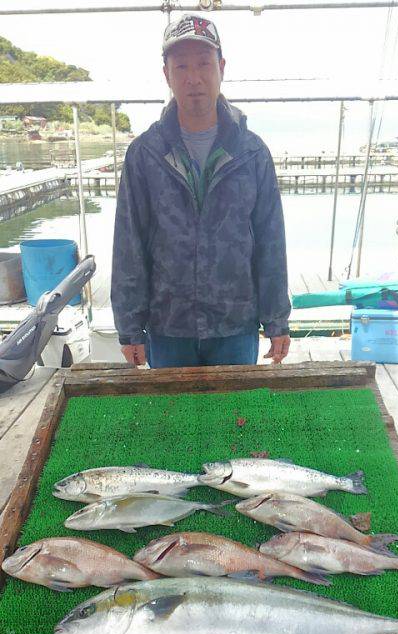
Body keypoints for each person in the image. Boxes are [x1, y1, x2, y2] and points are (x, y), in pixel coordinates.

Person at [111, 13, 291, 368]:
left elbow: (271, 242)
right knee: (172, 422)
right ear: (167, 74)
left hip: (235, 325)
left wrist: (277, 320)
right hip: (167, 327)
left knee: (234, 419)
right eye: (181, 67)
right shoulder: (145, 154)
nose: (194, 78)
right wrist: (130, 328)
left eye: (204, 64)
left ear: (221, 67)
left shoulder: (252, 153)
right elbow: (128, 244)